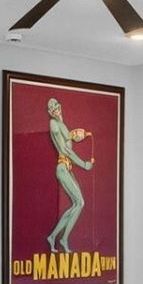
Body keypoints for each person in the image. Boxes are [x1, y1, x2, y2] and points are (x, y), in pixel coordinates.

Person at [45, 97, 92, 254]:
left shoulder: (62, 124)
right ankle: (63, 238)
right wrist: (84, 164)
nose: (56, 109)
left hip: (67, 168)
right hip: (63, 168)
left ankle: (53, 236)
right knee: (80, 203)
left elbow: (69, 140)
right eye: (52, 108)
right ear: (50, 112)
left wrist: (78, 135)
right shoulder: (54, 123)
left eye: (57, 105)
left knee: (76, 204)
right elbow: (66, 150)